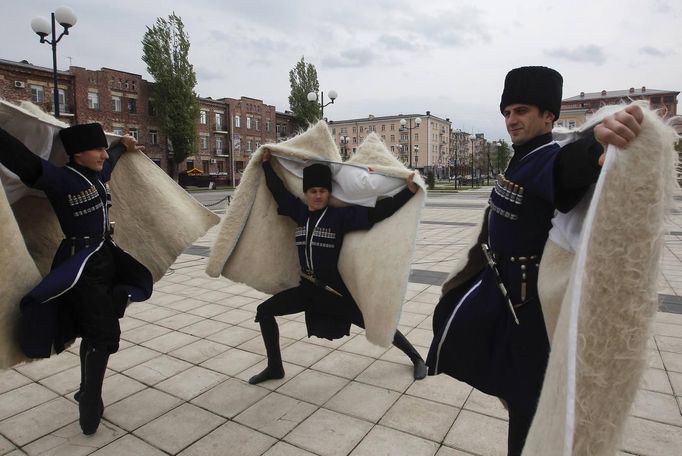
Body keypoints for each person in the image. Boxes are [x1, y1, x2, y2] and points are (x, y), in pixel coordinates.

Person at [426, 66, 643, 456]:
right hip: (501, 294)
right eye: (507, 112)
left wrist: (597, 143)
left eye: (521, 111)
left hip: (528, 313)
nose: (511, 120)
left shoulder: (547, 157)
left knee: (528, 409)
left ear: (548, 116)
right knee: (476, 357)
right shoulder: (522, 156)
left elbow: (569, 167)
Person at [0, 123, 153, 435]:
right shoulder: (61, 178)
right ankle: (90, 402)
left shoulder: (96, 174)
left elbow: (110, 160)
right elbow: (24, 161)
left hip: (104, 259)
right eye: (96, 150)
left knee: (93, 331)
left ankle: (86, 390)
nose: (102, 155)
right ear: (77, 153)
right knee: (105, 337)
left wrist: (122, 145)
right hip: (80, 266)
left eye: (102, 148)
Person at [249, 150, 427, 384]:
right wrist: (266, 165)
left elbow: (377, 213)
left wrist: (408, 192)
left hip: (334, 293)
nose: (318, 195)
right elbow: (278, 191)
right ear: (306, 193)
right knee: (264, 311)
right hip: (307, 290)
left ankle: (417, 359)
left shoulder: (339, 217)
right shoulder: (300, 213)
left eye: (323, 191)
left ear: (329, 192)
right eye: (313, 191)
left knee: (375, 324)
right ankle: (275, 368)